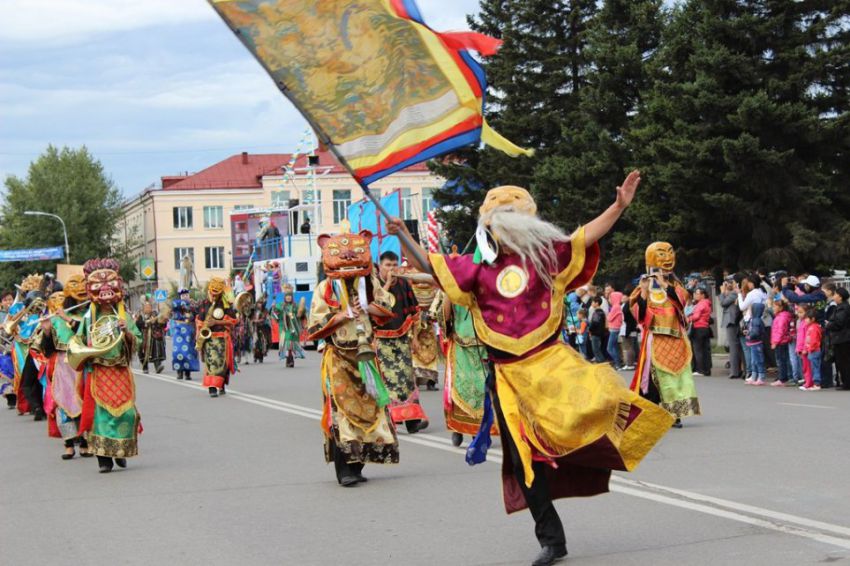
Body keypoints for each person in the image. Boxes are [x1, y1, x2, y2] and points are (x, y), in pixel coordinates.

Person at [389, 173, 673, 566]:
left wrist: (619, 206)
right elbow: (438, 268)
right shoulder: (479, 270)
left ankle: (624, 445)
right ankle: (552, 540)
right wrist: (404, 233)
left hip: (552, 366)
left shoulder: (546, 257)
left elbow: (585, 236)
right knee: (527, 461)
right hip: (507, 380)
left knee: (596, 408)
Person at [307, 227, 399, 487]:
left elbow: (387, 307)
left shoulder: (369, 284)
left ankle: (358, 464)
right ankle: (344, 469)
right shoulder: (325, 289)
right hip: (338, 357)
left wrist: (367, 307)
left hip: (365, 356)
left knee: (370, 410)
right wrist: (343, 314)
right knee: (342, 414)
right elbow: (314, 326)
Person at [68, 258, 142, 473]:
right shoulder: (88, 320)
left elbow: (136, 340)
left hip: (119, 370)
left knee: (125, 413)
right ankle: (103, 458)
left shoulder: (124, 316)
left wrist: (126, 331)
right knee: (100, 416)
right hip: (99, 371)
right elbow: (77, 342)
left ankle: (120, 451)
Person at [630, 242, 701, 428]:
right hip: (654, 338)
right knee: (652, 378)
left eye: (670, 253)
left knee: (675, 378)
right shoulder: (644, 286)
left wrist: (664, 285)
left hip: (675, 338)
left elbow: (682, 301)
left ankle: (675, 414)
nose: (667, 258)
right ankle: (653, 413)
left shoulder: (675, 286)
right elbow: (638, 313)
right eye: (661, 254)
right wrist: (644, 290)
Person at [374, 250, 429, 433]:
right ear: (380, 265)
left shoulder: (405, 284)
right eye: (387, 265)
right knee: (389, 379)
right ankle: (392, 417)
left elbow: (414, 311)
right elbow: (374, 306)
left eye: (394, 265)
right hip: (381, 338)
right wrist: (388, 284)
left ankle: (412, 421)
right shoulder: (373, 284)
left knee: (406, 378)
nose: (391, 268)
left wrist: (414, 337)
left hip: (402, 336)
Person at [433, 290, 495, 448]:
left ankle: (479, 431)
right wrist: (448, 291)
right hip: (461, 344)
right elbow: (442, 318)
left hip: (485, 344)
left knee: (483, 389)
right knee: (460, 387)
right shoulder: (452, 282)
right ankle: (458, 428)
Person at [41, 277, 91, 459]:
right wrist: (46, 331)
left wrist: (68, 319)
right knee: (64, 403)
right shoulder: (55, 320)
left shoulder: (88, 315)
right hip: (63, 367)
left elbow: (86, 335)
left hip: (82, 364)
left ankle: (85, 442)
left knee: (83, 401)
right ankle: (69, 444)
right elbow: (48, 351)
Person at [196, 277, 238, 397]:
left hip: (222, 339)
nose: (213, 297)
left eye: (216, 294)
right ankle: (212, 388)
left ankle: (221, 385)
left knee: (222, 364)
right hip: (209, 338)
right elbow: (199, 320)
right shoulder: (204, 304)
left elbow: (234, 321)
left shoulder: (225, 304)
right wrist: (201, 328)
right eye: (212, 294)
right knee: (211, 363)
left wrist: (216, 322)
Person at [273, 284, 305, 367]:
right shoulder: (281, 305)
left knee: (291, 343)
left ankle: (290, 358)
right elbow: (275, 313)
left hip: (293, 328)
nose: (288, 298)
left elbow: (302, 313)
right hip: (284, 328)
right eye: (287, 296)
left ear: (292, 297)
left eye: (290, 296)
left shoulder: (295, 305)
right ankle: (288, 358)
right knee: (286, 342)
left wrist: (302, 311)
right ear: (285, 297)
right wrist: (274, 309)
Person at [170, 289, 199, 381]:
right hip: (179, 329)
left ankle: (188, 372)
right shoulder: (177, 303)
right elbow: (174, 305)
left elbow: (198, 312)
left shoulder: (193, 304)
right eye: (183, 295)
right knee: (178, 351)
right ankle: (179, 371)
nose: (185, 297)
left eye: (186, 295)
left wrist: (192, 304)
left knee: (189, 352)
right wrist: (184, 302)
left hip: (190, 330)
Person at [826, 287, 850, 390]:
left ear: (840, 296)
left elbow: (839, 323)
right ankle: (844, 382)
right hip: (840, 338)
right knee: (841, 362)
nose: (834, 296)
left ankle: (847, 384)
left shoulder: (843, 308)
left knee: (844, 363)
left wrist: (828, 324)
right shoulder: (840, 307)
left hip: (843, 338)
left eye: (835, 294)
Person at [719, 278, 743, 379]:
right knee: (737, 346)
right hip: (733, 320)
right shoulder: (733, 293)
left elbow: (723, 303)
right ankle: (739, 370)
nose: (727, 284)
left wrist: (722, 292)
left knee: (733, 347)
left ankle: (734, 371)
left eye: (730, 283)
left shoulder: (734, 293)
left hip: (732, 320)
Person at [136, 301, 167, 374]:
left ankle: (158, 366)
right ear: (143, 309)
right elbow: (138, 325)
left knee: (156, 348)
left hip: (154, 336)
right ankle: (145, 367)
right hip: (144, 337)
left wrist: (160, 321)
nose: (148, 309)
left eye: (149, 307)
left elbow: (162, 324)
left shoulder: (155, 314)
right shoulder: (141, 316)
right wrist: (146, 323)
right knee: (142, 351)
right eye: (146, 307)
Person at [688, 287, 712, 376]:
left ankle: (700, 370)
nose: (695, 295)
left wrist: (689, 318)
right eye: (695, 293)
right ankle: (706, 369)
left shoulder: (701, 304)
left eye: (697, 294)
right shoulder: (707, 303)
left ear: (703, 295)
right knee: (704, 350)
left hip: (698, 328)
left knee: (698, 350)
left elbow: (696, 316)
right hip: (705, 328)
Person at [770, 299, 794, 386]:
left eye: (775, 306)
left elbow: (780, 331)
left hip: (781, 342)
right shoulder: (781, 316)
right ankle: (786, 376)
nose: (773, 308)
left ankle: (782, 378)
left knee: (781, 360)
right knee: (784, 359)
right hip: (783, 341)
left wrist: (775, 342)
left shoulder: (781, 318)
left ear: (781, 307)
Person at [0, 291, 17, 406]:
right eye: (5, 300)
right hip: (3, 346)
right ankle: (10, 396)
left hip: (16, 343)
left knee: (17, 369)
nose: (8, 302)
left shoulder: (17, 311)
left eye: (10, 299)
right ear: (1, 303)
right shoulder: (1, 314)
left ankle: (17, 393)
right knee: (7, 370)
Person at [745, 302, 767, 385]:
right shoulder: (753, 320)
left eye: (751, 310)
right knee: (754, 361)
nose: (750, 311)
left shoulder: (756, 321)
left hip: (756, 343)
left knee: (758, 360)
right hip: (753, 343)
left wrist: (750, 335)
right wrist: (748, 332)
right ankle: (754, 376)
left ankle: (761, 377)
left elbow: (756, 332)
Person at [801, 308, 822, 391]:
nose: (805, 320)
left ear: (813, 319)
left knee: (815, 367)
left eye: (807, 318)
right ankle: (814, 383)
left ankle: (817, 383)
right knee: (813, 367)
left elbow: (814, 341)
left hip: (814, 351)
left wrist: (809, 349)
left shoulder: (814, 328)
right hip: (811, 351)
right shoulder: (810, 327)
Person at [605, 288, 624, 370]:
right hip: (616, 329)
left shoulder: (615, 307)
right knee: (615, 347)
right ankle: (618, 363)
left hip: (614, 330)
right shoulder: (617, 306)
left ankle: (618, 363)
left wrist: (608, 315)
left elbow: (609, 318)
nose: (609, 300)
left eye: (610, 298)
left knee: (609, 348)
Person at [588, 296, 607, 363]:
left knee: (596, 349)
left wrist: (589, 329)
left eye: (593, 302)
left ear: (597, 303)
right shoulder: (602, 312)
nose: (591, 303)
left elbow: (594, 323)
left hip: (595, 333)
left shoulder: (597, 313)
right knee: (597, 349)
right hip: (600, 333)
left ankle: (601, 362)